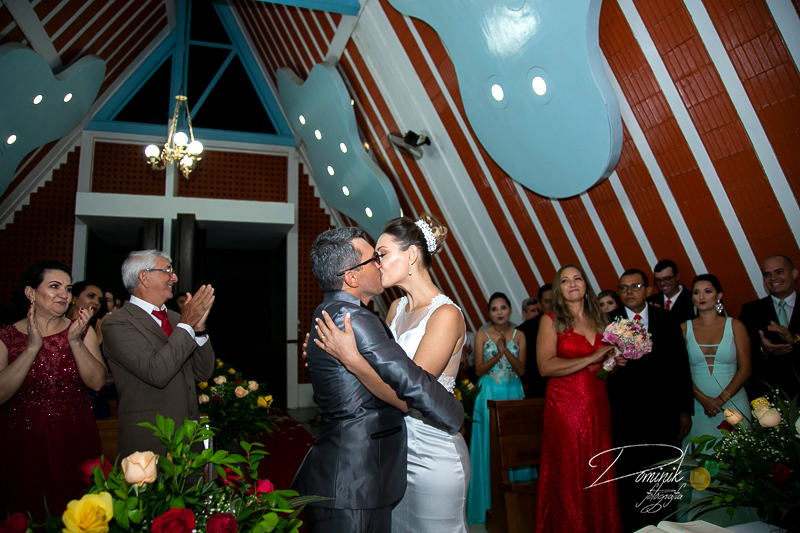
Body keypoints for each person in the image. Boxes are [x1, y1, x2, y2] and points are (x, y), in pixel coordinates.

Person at [294, 226, 464, 533]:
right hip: (378, 460)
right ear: (352, 276)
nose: (379, 263)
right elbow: (383, 377)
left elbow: (401, 387)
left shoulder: (446, 314)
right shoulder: (392, 310)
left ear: (411, 255)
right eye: (374, 257)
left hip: (424, 447)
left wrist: (350, 360)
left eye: (381, 254)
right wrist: (333, 359)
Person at [0, 261, 107, 520]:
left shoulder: (81, 331)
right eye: (54, 286)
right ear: (30, 293)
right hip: (22, 439)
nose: (64, 294)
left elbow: (97, 382)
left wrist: (75, 342)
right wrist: (31, 349)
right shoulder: (7, 335)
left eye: (68, 288)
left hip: (74, 434)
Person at [535, 264, 623, 533]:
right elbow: (545, 367)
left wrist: (613, 363)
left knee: (598, 467)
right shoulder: (550, 320)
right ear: (558, 289)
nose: (572, 283)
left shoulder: (602, 321)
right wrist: (592, 357)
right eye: (565, 280)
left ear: (586, 284)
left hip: (598, 405)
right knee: (572, 471)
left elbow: (600, 369)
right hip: (566, 406)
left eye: (577, 278)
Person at [102, 250, 215, 456]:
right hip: (150, 441)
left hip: (189, 438)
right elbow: (157, 372)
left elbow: (203, 373)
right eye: (167, 271)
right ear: (144, 277)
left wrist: (198, 329)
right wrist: (187, 323)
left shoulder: (175, 319)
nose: (175, 278)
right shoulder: (118, 323)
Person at [607, 269, 694, 531]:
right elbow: (601, 367)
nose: (629, 291)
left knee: (663, 481)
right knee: (628, 481)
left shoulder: (666, 320)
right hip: (624, 416)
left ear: (647, 290)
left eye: (635, 286)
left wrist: (684, 411)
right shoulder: (609, 322)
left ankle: (665, 528)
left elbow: (681, 366)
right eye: (623, 288)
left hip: (663, 415)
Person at [467, 292, 530, 525]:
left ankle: (519, 502)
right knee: (488, 445)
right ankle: (487, 503)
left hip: (513, 392)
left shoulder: (520, 335)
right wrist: (498, 353)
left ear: (510, 311)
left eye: (503, 308)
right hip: (488, 392)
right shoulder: (482, 335)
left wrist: (505, 351)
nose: (499, 312)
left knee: (515, 446)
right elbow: (478, 371)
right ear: (489, 313)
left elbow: (522, 370)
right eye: (494, 309)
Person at [682, 274, 750, 446]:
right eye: (696, 292)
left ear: (719, 296)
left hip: (734, 402)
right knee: (701, 466)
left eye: (708, 291)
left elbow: (746, 369)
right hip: (698, 407)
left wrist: (720, 400)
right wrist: (704, 400)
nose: (702, 297)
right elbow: (679, 371)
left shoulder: (736, 326)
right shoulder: (683, 329)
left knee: (740, 463)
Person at [740, 255, 800, 399]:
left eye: (779, 272)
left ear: (794, 274)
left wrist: (794, 340)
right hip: (768, 397)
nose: (773, 278)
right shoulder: (751, 310)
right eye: (767, 274)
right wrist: (764, 350)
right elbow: (741, 355)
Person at [519, 284, 553, 398]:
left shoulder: (571, 325)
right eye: (548, 301)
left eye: (555, 300)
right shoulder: (525, 329)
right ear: (540, 304)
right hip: (538, 389)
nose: (552, 305)